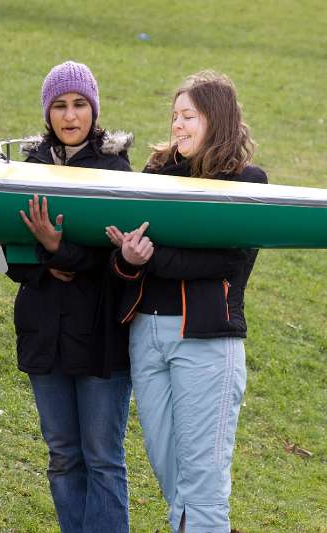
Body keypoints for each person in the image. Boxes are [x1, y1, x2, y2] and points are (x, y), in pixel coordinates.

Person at [106, 71, 267, 533]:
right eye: (174, 116)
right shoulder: (154, 174)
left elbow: (226, 261)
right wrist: (130, 259)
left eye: (188, 116)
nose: (177, 126)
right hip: (146, 336)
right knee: (172, 479)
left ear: (216, 120)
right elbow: (123, 260)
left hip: (205, 342)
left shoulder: (247, 181)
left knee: (202, 487)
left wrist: (153, 257)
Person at [6, 60, 134, 533]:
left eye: (79, 104)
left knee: (102, 459)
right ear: (47, 113)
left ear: (94, 109)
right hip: (44, 334)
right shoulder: (27, 169)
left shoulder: (117, 169)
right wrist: (45, 261)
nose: (70, 114)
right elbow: (9, 252)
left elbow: (121, 258)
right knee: (62, 457)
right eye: (59, 105)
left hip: (101, 338)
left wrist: (64, 251)